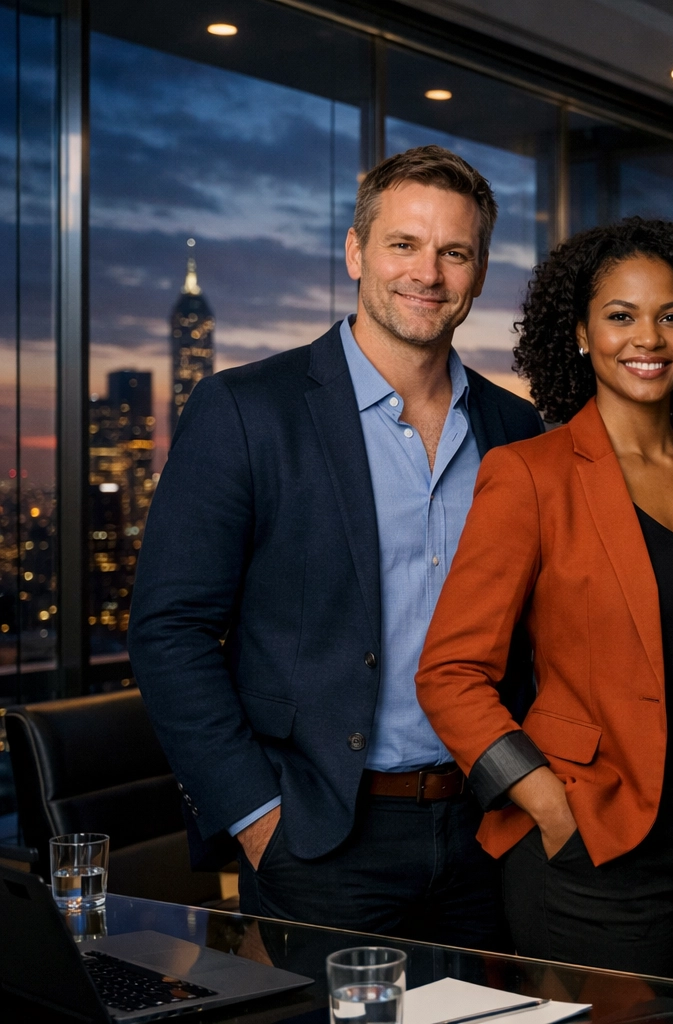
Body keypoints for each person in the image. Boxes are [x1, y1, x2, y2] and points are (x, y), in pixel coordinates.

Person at [128, 145, 543, 947]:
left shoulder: (512, 429)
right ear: (356, 253)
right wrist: (258, 820)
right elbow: (169, 631)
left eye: (454, 252)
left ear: (480, 272)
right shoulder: (247, 410)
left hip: (483, 832)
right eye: (403, 244)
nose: (428, 272)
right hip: (319, 838)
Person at [414, 218, 673, 987]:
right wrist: (547, 803)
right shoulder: (531, 475)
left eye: (671, 315)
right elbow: (450, 673)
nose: (647, 337)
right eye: (620, 315)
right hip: (596, 832)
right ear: (580, 331)